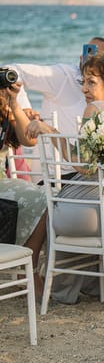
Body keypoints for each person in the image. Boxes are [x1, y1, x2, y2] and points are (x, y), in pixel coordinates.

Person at [27, 52, 104, 304]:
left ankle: (54, 282)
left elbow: (84, 167)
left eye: (92, 82)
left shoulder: (95, 109)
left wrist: (50, 132)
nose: (85, 89)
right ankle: (99, 281)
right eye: (83, 82)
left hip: (103, 213)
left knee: (55, 204)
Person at [11, 37, 104, 136]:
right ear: (82, 57)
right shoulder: (64, 76)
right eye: (92, 54)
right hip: (55, 153)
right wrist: (24, 108)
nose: (96, 61)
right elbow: (12, 70)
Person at [0, 80, 47, 281]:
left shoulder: (6, 108)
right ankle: (28, 273)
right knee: (44, 199)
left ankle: (27, 266)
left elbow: (30, 140)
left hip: (2, 181)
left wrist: (14, 103)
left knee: (48, 198)